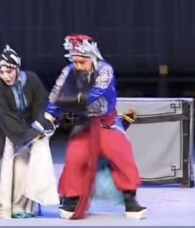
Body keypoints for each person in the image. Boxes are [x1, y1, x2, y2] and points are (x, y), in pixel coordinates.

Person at [45, 34, 146, 220]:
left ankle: (130, 200)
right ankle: (72, 198)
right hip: (84, 124)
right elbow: (55, 95)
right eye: (75, 61)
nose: (78, 66)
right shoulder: (68, 71)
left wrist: (69, 101)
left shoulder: (105, 70)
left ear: (92, 58)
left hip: (107, 122)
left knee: (122, 155)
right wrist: (50, 116)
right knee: (75, 157)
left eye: (82, 62)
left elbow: (92, 95)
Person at [0, 45, 59, 219]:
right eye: (1, 72)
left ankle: (21, 206)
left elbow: (40, 103)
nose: (5, 76)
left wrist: (39, 125)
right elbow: (5, 116)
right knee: (5, 166)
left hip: (29, 126)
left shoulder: (32, 79)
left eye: (9, 71)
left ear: (17, 68)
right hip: (6, 129)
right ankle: (3, 205)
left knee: (23, 166)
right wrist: (29, 134)